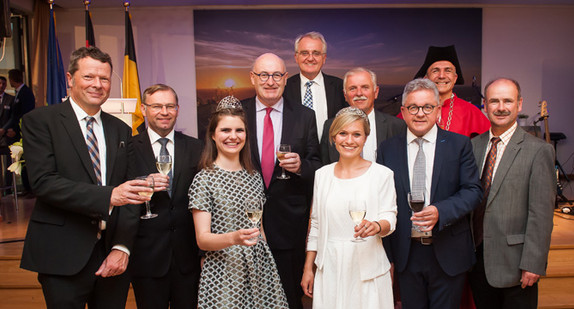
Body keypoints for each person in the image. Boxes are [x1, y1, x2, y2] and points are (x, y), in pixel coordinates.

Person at [19, 46, 152, 308]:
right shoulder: (40, 121)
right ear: (70, 79)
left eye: (104, 78)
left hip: (112, 257)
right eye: (89, 77)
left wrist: (121, 248)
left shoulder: (121, 130)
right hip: (62, 253)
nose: (97, 85)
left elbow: (131, 193)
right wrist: (109, 196)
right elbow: (43, 182)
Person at [377, 78, 482, 309]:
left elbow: (473, 191)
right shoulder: (387, 149)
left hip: (447, 251)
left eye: (427, 107)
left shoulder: (459, 145)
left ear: (438, 111)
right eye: (413, 107)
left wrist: (440, 211)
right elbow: (382, 200)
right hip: (406, 253)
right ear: (403, 111)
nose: (420, 114)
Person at [189, 96, 289, 308]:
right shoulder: (204, 179)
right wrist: (233, 238)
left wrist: (267, 267)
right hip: (223, 272)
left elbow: (259, 229)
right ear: (213, 136)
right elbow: (203, 240)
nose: (233, 136)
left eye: (239, 130)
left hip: (259, 268)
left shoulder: (254, 176)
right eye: (225, 130)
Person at [242, 53, 322, 309]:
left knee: (288, 299)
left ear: (286, 79)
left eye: (277, 75)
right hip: (243, 224)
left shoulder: (304, 116)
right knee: (248, 299)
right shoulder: (236, 113)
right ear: (252, 78)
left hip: (289, 227)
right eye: (263, 75)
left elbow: (317, 165)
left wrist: (301, 167)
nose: (270, 81)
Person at [469, 78, 555, 309]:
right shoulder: (473, 146)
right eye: (494, 101)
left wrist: (534, 263)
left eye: (508, 101)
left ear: (519, 104)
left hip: (516, 264)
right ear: (485, 105)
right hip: (477, 261)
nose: (501, 107)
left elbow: (541, 214)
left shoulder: (539, 151)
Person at [301, 107, 397, 308]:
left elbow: (391, 217)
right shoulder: (322, 175)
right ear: (333, 137)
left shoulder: (382, 174)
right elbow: (316, 224)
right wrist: (308, 267)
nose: (349, 140)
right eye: (343, 133)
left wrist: (377, 226)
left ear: (365, 138)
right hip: (330, 268)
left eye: (356, 134)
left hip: (368, 268)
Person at [129, 84, 203, 309]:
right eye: (157, 106)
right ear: (143, 109)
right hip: (147, 257)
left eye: (170, 106)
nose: (164, 112)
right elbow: (120, 196)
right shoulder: (128, 149)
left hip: (187, 257)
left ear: (178, 109)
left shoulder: (196, 147)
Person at [320, 67, 405, 164]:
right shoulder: (330, 126)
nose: (359, 93)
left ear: (376, 92)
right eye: (353, 88)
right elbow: (325, 166)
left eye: (365, 87)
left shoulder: (397, 126)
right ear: (345, 95)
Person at [404, 45, 490, 138]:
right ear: (426, 78)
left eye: (448, 71)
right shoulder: (410, 110)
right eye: (435, 71)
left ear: (455, 78)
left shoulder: (471, 112)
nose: (441, 76)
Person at [283, 31, 348, 137]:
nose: (310, 58)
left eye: (316, 53)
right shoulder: (284, 87)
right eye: (304, 53)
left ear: (324, 58)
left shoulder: (339, 86)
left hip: (331, 152)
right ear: (296, 57)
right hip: (295, 152)